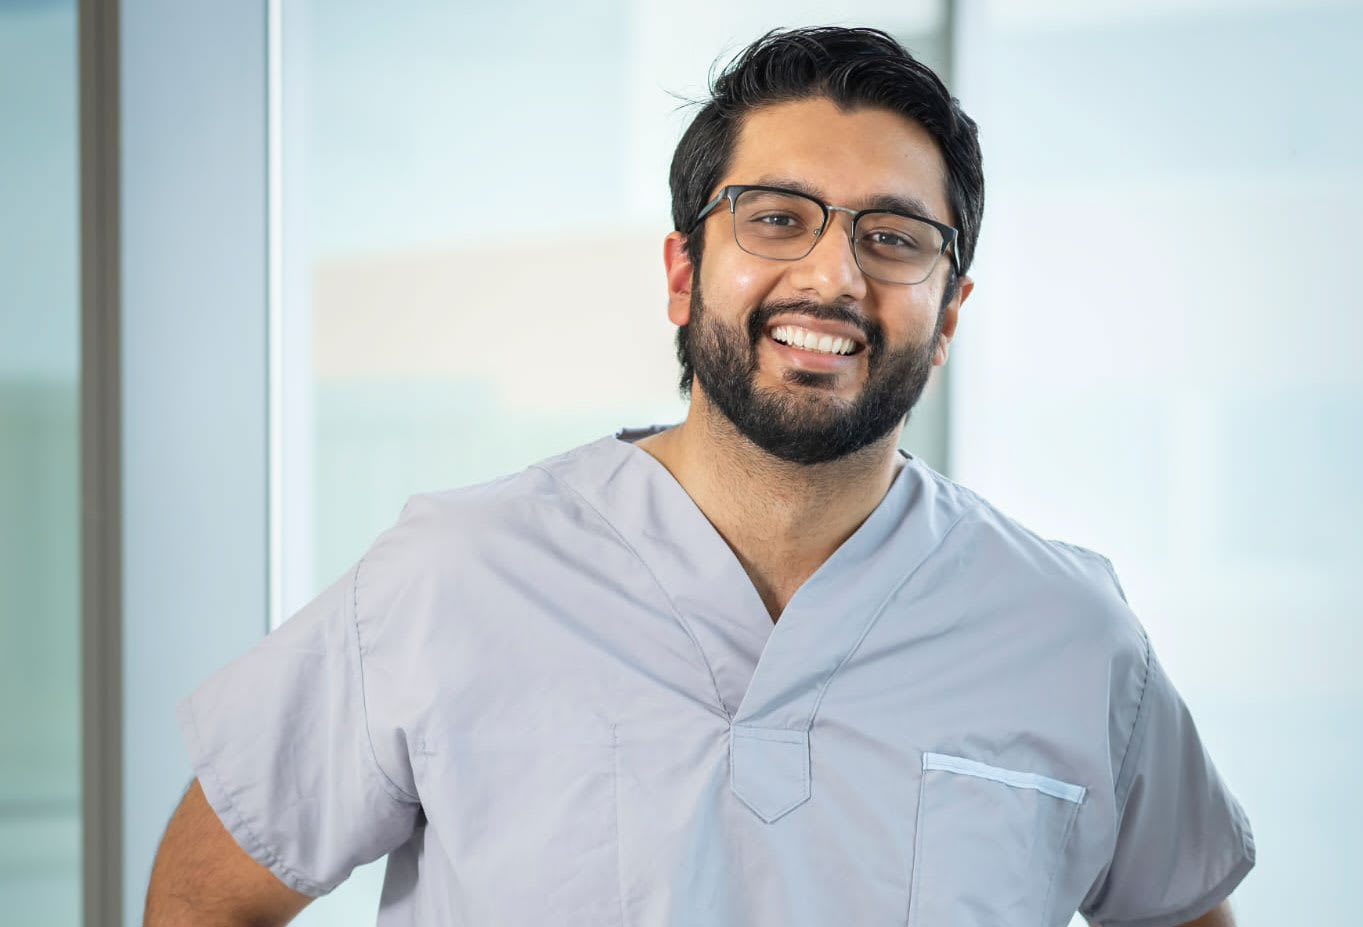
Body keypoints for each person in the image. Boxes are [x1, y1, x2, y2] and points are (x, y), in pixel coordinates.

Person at [145, 26, 1254, 927]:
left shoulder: (1068, 634)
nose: (832, 275)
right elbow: (205, 898)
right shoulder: (450, 581)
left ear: (949, 312)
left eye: (894, 237)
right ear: (685, 273)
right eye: (776, 220)